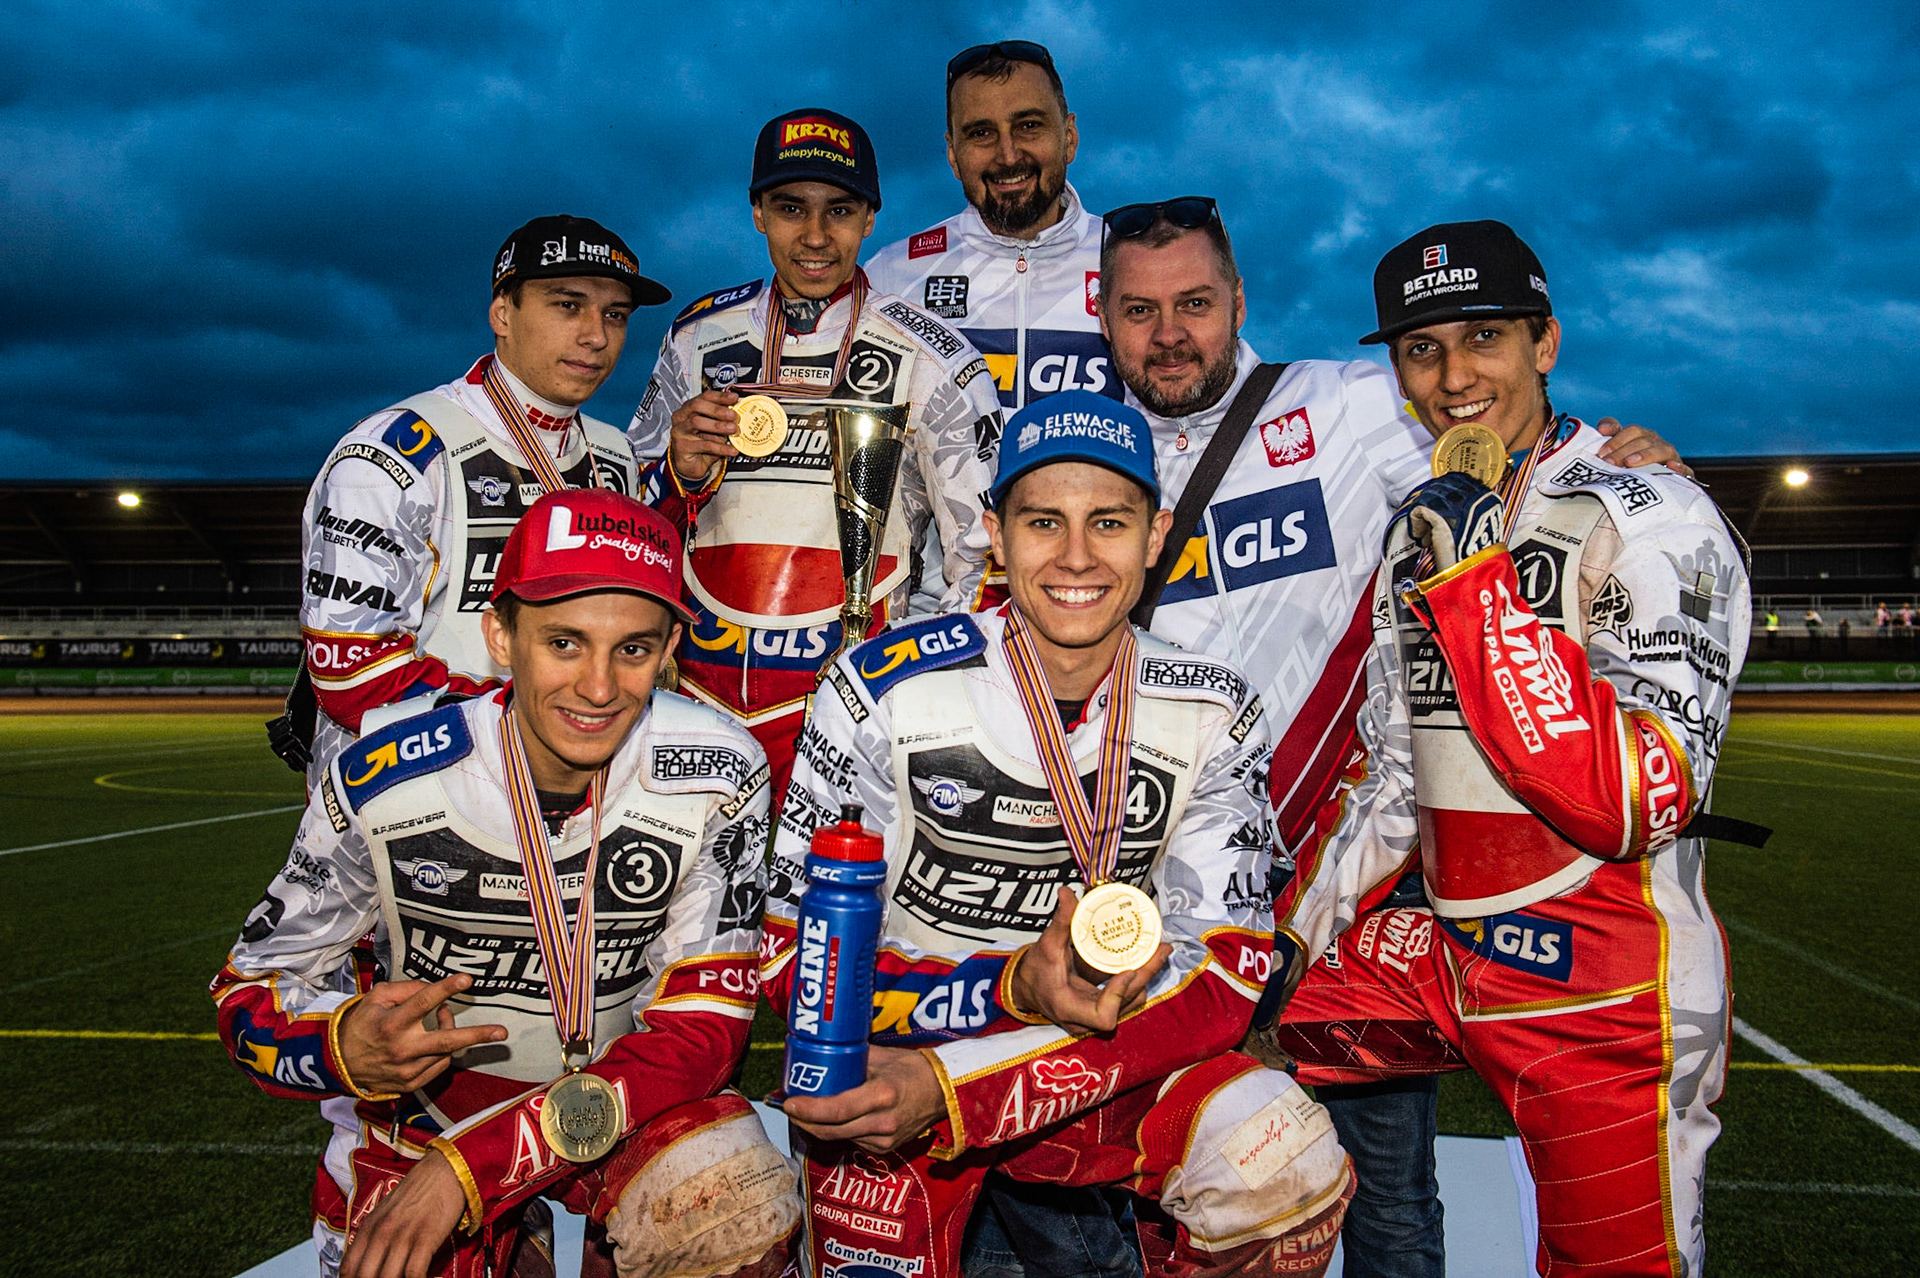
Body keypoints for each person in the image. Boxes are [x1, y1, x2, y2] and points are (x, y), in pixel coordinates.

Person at [1095, 199, 1687, 1278]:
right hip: (1144, 883)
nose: (1169, 332)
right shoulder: (1069, 440)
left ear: (1238, 303)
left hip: (1360, 883)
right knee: (1160, 1176)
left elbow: (1508, 425)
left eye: (1193, 303)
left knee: (1386, 1194)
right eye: (1140, 310)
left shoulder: (1358, 405)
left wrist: (1627, 462)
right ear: (1104, 315)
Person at [764, 391, 1353, 1278]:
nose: (1076, 557)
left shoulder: (1212, 707)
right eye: (1044, 521)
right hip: (896, 1062)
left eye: (1109, 523)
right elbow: (790, 963)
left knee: (1287, 1163)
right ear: (994, 536)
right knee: (717, 1210)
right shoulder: (877, 687)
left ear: (1156, 540)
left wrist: (968, 1085)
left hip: (1096, 1063)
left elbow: (1228, 972)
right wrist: (1009, 991)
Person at [1269, 220, 1749, 1276]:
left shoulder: (1656, 509)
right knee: (1195, 1021)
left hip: (1604, 979)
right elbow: (1396, 773)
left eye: (1483, 336)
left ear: (1547, 342)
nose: (1453, 376)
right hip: (1445, 950)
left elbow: (1629, 797)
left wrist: (1480, 588)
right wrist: (1282, 944)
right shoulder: (1423, 521)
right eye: (1421, 350)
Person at [214, 491, 798, 1278]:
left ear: (668, 654)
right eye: (564, 642)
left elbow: (705, 1031)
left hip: (630, 1102)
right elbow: (250, 990)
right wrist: (339, 1044)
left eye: (633, 649)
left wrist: (474, 1170)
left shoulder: (719, 764)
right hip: (425, 1120)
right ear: (500, 635)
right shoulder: (384, 777)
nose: (598, 687)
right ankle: (508, 1243)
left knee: (735, 1217)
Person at [628, 107, 1003, 797]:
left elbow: (983, 558)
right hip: (699, 700)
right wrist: (676, 469)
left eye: (840, 210)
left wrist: (909, 686)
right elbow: (632, 524)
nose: (815, 235)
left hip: (855, 708)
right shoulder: (696, 338)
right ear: (757, 214)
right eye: (790, 207)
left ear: (869, 219)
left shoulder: (934, 356)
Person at [279, 215, 665, 785]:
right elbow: (349, 674)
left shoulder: (614, 456)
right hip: (408, 805)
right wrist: (542, 724)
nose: (597, 336)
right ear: (502, 313)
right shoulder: (396, 454)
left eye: (615, 315)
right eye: (568, 305)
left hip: (569, 796)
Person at [866, 41, 1110, 416]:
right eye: (981, 133)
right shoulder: (889, 277)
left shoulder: (1129, 262)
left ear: (1069, 137)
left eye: (1029, 126)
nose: (1008, 155)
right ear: (952, 154)